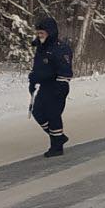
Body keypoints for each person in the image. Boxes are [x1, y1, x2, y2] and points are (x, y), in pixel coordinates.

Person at [29, 15, 74, 157]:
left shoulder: (61, 49)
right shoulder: (41, 47)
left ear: (50, 32)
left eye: (42, 33)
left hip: (57, 85)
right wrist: (33, 80)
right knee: (37, 112)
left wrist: (60, 86)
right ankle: (58, 137)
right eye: (38, 33)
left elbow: (65, 69)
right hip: (44, 86)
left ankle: (56, 146)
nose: (39, 36)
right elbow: (39, 67)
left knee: (53, 115)